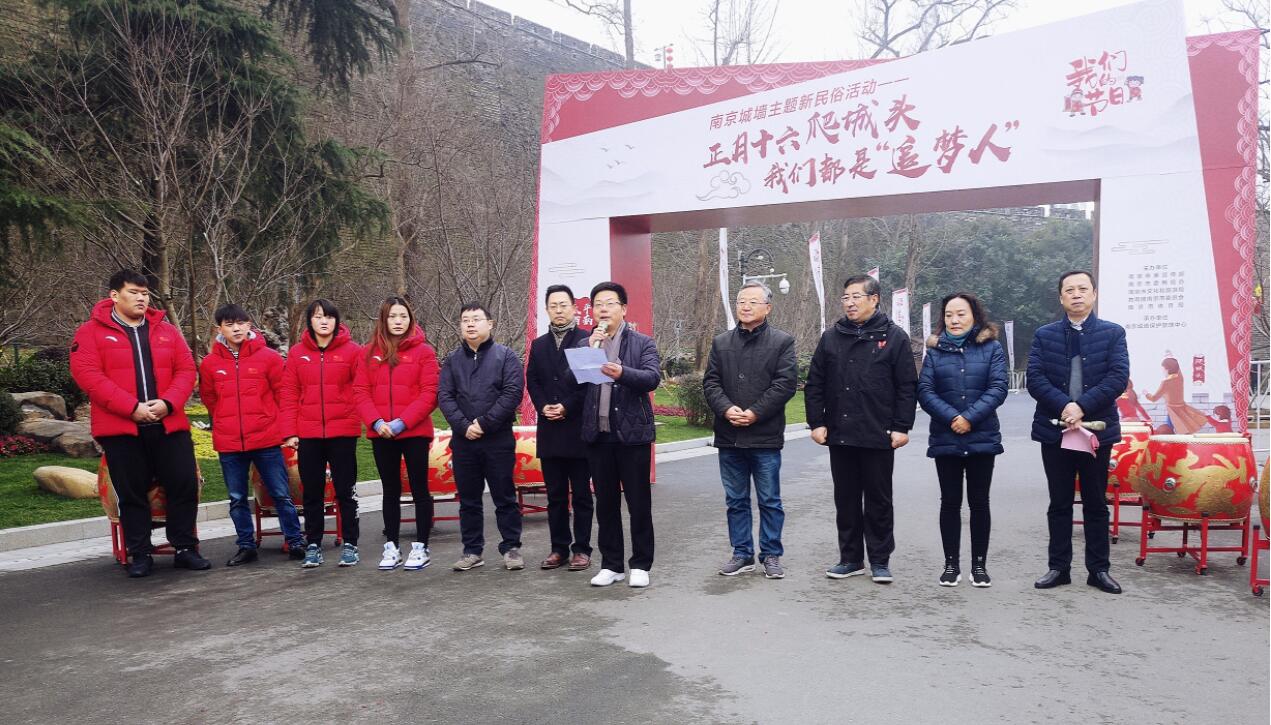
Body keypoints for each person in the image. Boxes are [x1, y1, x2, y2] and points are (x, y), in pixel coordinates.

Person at [70, 269, 210, 577]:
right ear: (115, 296)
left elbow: (186, 370)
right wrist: (130, 408)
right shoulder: (90, 332)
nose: (141, 298)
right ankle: (140, 553)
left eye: (145, 293)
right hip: (121, 429)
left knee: (183, 483)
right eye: (133, 292)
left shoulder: (166, 330)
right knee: (131, 492)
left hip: (168, 425)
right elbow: (88, 375)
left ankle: (185, 548)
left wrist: (168, 403)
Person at [805, 274, 917, 584]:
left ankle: (880, 560)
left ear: (874, 299)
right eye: (846, 297)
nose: (850, 303)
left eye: (856, 296)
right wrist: (817, 422)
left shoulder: (894, 337)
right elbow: (814, 384)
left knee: (879, 500)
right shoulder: (831, 337)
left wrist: (901, 426)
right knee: (846, 499)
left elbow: (907, 386)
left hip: (878, 433)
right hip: (840, 432)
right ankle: (850, 558)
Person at [1027, 270, 1129, 595]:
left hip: (1096, 431)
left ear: (1094, 294)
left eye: (1083, 288)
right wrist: (1065, 407)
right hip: (1055, 430)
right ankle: (1058, 568)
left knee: (1095, 502)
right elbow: (1035, 379)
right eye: (1069, 290)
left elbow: (1117, 377)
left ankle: (1099, 570)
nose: (1076, 294)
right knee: (1059, 502)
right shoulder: (1045, 335)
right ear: (1061, 298)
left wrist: (1082, 406)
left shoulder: (1113, 333)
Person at [198, 303, 306, 566]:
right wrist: (224, 421)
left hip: (266, 438)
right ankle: (246, 546)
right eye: (229, 324)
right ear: (219, 329)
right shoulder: (210, 364)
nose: (236, 328)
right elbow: (210, 399)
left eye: (240, 323)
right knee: (236, 498)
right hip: (230, 442)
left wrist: (284, 429)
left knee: (280, 493)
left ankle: (294, 540)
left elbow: (283, 395)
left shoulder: (269, 358)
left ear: (249, 325)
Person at [703, 281, 797, 580]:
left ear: (767, 307)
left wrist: (756, 412)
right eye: (741, 301)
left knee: (769, 500)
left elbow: (785, 384)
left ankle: (770, 554)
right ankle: (742, 553)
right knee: (736, 500)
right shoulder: (721, 342)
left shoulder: (782, 342)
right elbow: (711, 382)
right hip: (729, 436)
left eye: (753, 302)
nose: (745, 306)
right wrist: (726, 408)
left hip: (765, 436)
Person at [916, 293, 1008, 588]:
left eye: (961, 314)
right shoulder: (935, 352)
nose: (954, 320)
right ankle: (951, 564)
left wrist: (969, 418)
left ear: (974, 316)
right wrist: (952, 418)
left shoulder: (991, 348)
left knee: (980, 503)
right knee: (950, 502)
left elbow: (998, 387)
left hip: (982, 436)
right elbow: (925, 391)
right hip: (946, 437)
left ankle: (979, 566)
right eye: (949, 315)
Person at [578, 281, 661, 588]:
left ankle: (640, 563)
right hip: (598, 435)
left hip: (632, 435)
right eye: (598, 304)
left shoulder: (642, 343)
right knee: (605, 503)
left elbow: (652, 378)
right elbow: (575, 383)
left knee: (638, 502)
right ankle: (611, 564)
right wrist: (587, 352)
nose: (603, 309)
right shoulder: (588, 343)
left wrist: (622, 373)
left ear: (623, 309)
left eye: (610, 303)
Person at [436, 302, 526, 572]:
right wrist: (464, 426)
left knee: (504, 497)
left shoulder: (506, 356)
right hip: (464, 440)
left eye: (476, 319)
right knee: (468, 500)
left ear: (490, 323)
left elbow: (512, 393)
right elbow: (445, 396)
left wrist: (484, 423)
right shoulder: (452, 360)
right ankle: (472, 550)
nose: (470, 324)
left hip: (497, 439)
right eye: (465, 320)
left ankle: (511, 547)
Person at [354, 297, 440, 572]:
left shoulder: (424, 352)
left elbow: (430, 393)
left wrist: (403, 422)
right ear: (384, 319)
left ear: (410, 319)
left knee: (419, 488)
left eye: (403, 316)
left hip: (414, 432)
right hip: (381, 433)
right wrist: (377, 422)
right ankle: (391, 545)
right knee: (390, 489)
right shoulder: (368, 353)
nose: (398, 321)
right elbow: (360, 391)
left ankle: (421, 546)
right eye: (392, 316)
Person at [279, 299, 363, 568]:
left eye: (329, 316)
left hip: (343, 433)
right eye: (317, 316)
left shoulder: (353, 351)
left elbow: (362, 389)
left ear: (337, 321)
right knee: (312, 493)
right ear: (310, 321)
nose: (324, 321)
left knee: (346, 491)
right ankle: (313, 544)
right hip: (309, 433)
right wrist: (290, 431)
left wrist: (354, 419)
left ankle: (350, 543)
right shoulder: (297, 353)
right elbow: (289, 393)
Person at [525, 284, 594, 571]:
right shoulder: (539, 345)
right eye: (553, 306)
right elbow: (532, 380)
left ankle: (582, 549)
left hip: (577, 429)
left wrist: (566, 406)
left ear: (574, 308)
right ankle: (558, 549)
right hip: (550, 430)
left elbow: (589, 383)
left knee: (581, 495)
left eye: (564, 305)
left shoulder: (586, 340)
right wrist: (543, 406)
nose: (559, 310)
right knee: (555, 495)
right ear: (546, 310)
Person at [1144, 356, 1208, 434]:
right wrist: (1172, 359)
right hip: (1182, 409)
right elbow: (1178, 370)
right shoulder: (1180, 378)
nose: (1162, 371)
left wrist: (1146, 394)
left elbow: (1154, 398)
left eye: (1163, 369)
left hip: (1173, 411)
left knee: (1170, 430)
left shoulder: (1166, 383)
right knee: (1183, 429)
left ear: (1167, 369)